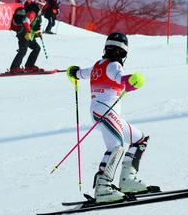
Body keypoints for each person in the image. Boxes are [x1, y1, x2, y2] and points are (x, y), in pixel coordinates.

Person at [66, 32, 159, 203]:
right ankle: (103, 188)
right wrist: (131, 80)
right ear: (123, 53)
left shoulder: (97, 65)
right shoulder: (115, 65)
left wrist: (73, 72)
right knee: (116, 147)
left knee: (140, 139)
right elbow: (120, 78)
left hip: (103, 113)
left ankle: (128, 180)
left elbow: (80, 73)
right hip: (106, 112)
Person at [9, 0, 46, 74]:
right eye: (40, 5)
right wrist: (28, 32)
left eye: (42, 5)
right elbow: (26, 21)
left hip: (27, 33)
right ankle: (14, 68)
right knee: (23, 49)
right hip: (23, 33)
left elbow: (34, 24)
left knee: (36, 48)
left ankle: (29, 66)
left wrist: (37, 32)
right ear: (37, 4)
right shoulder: (32, 11)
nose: (41, 7)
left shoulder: (36, 11)